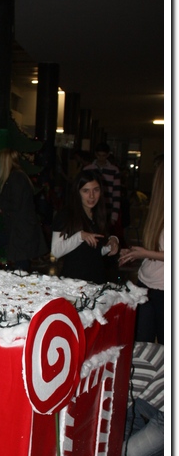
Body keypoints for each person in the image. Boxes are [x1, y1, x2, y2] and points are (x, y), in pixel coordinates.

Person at [119, 158, 164, 343]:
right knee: (141, 343)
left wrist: (144, 253)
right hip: (146, 284)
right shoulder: (159, 209)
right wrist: (137, 252)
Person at [0, 148, 47, 271]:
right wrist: (1, 208)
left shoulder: (16, 177)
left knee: (19, 264)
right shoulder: (17, 177)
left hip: (20, 231)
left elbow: (15, 205)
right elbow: (17, 205)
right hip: (18, 230)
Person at [51, 169, 119, 284]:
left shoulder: (98, 214)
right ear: (77, 192)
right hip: (73, 282)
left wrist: (112, 243)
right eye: (86, 191)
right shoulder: (66, 215)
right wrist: (80, 236)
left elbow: (94, 251)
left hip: (97, 280)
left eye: (96, 190)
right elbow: (56, 251)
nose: (92, 196)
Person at [121, 341, 164, 456]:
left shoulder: (136, 364)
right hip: (162, 401)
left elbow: (116, 410)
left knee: (128, 455)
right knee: (126, 401)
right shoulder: (127, 350)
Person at [85, 144, 122, 229]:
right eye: (99, 155)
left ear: (108, 155)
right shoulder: (88, 169)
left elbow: (116, 194)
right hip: (91, 208)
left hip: (107, 209)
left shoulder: (114, 170)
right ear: (96, 154)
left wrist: (114, 216)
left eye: (103, 155)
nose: (101, 158)